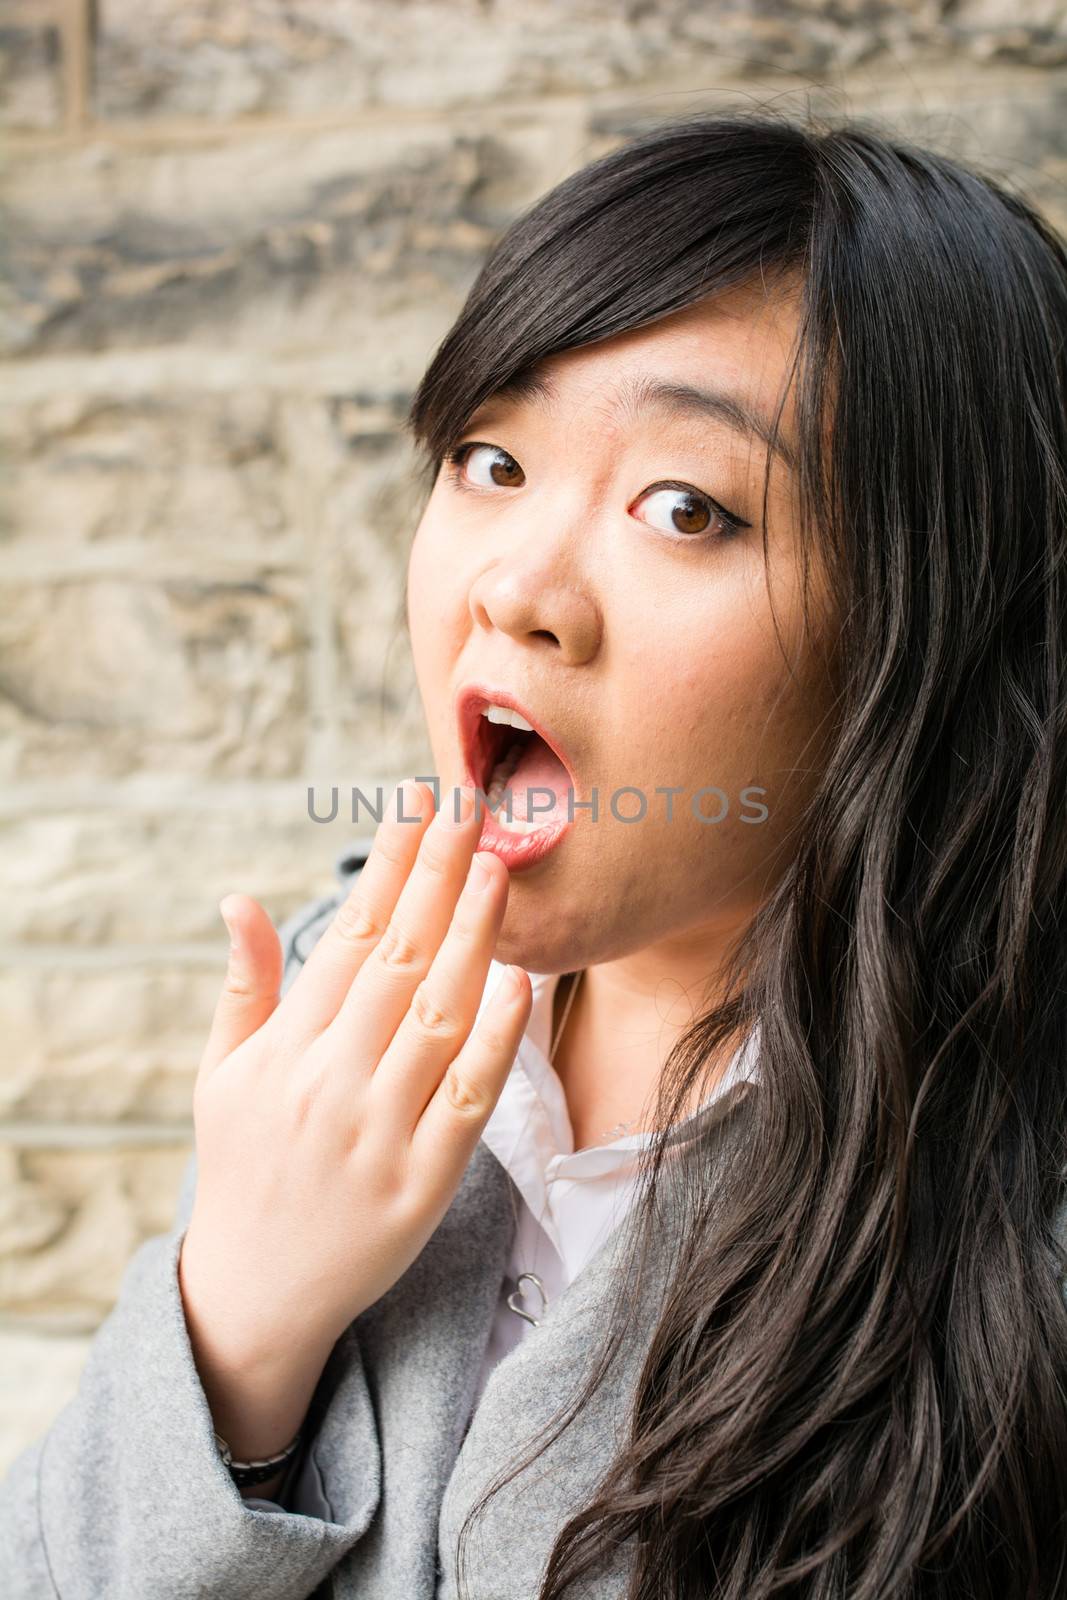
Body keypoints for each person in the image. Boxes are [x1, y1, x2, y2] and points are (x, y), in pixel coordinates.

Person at [3, 104, 1067, 1600]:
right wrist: (239, 1317)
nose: (519, 589)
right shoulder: (347, 1005)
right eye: (491, 460)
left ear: (923, 623)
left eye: (685, 509)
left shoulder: (1017, 1189)